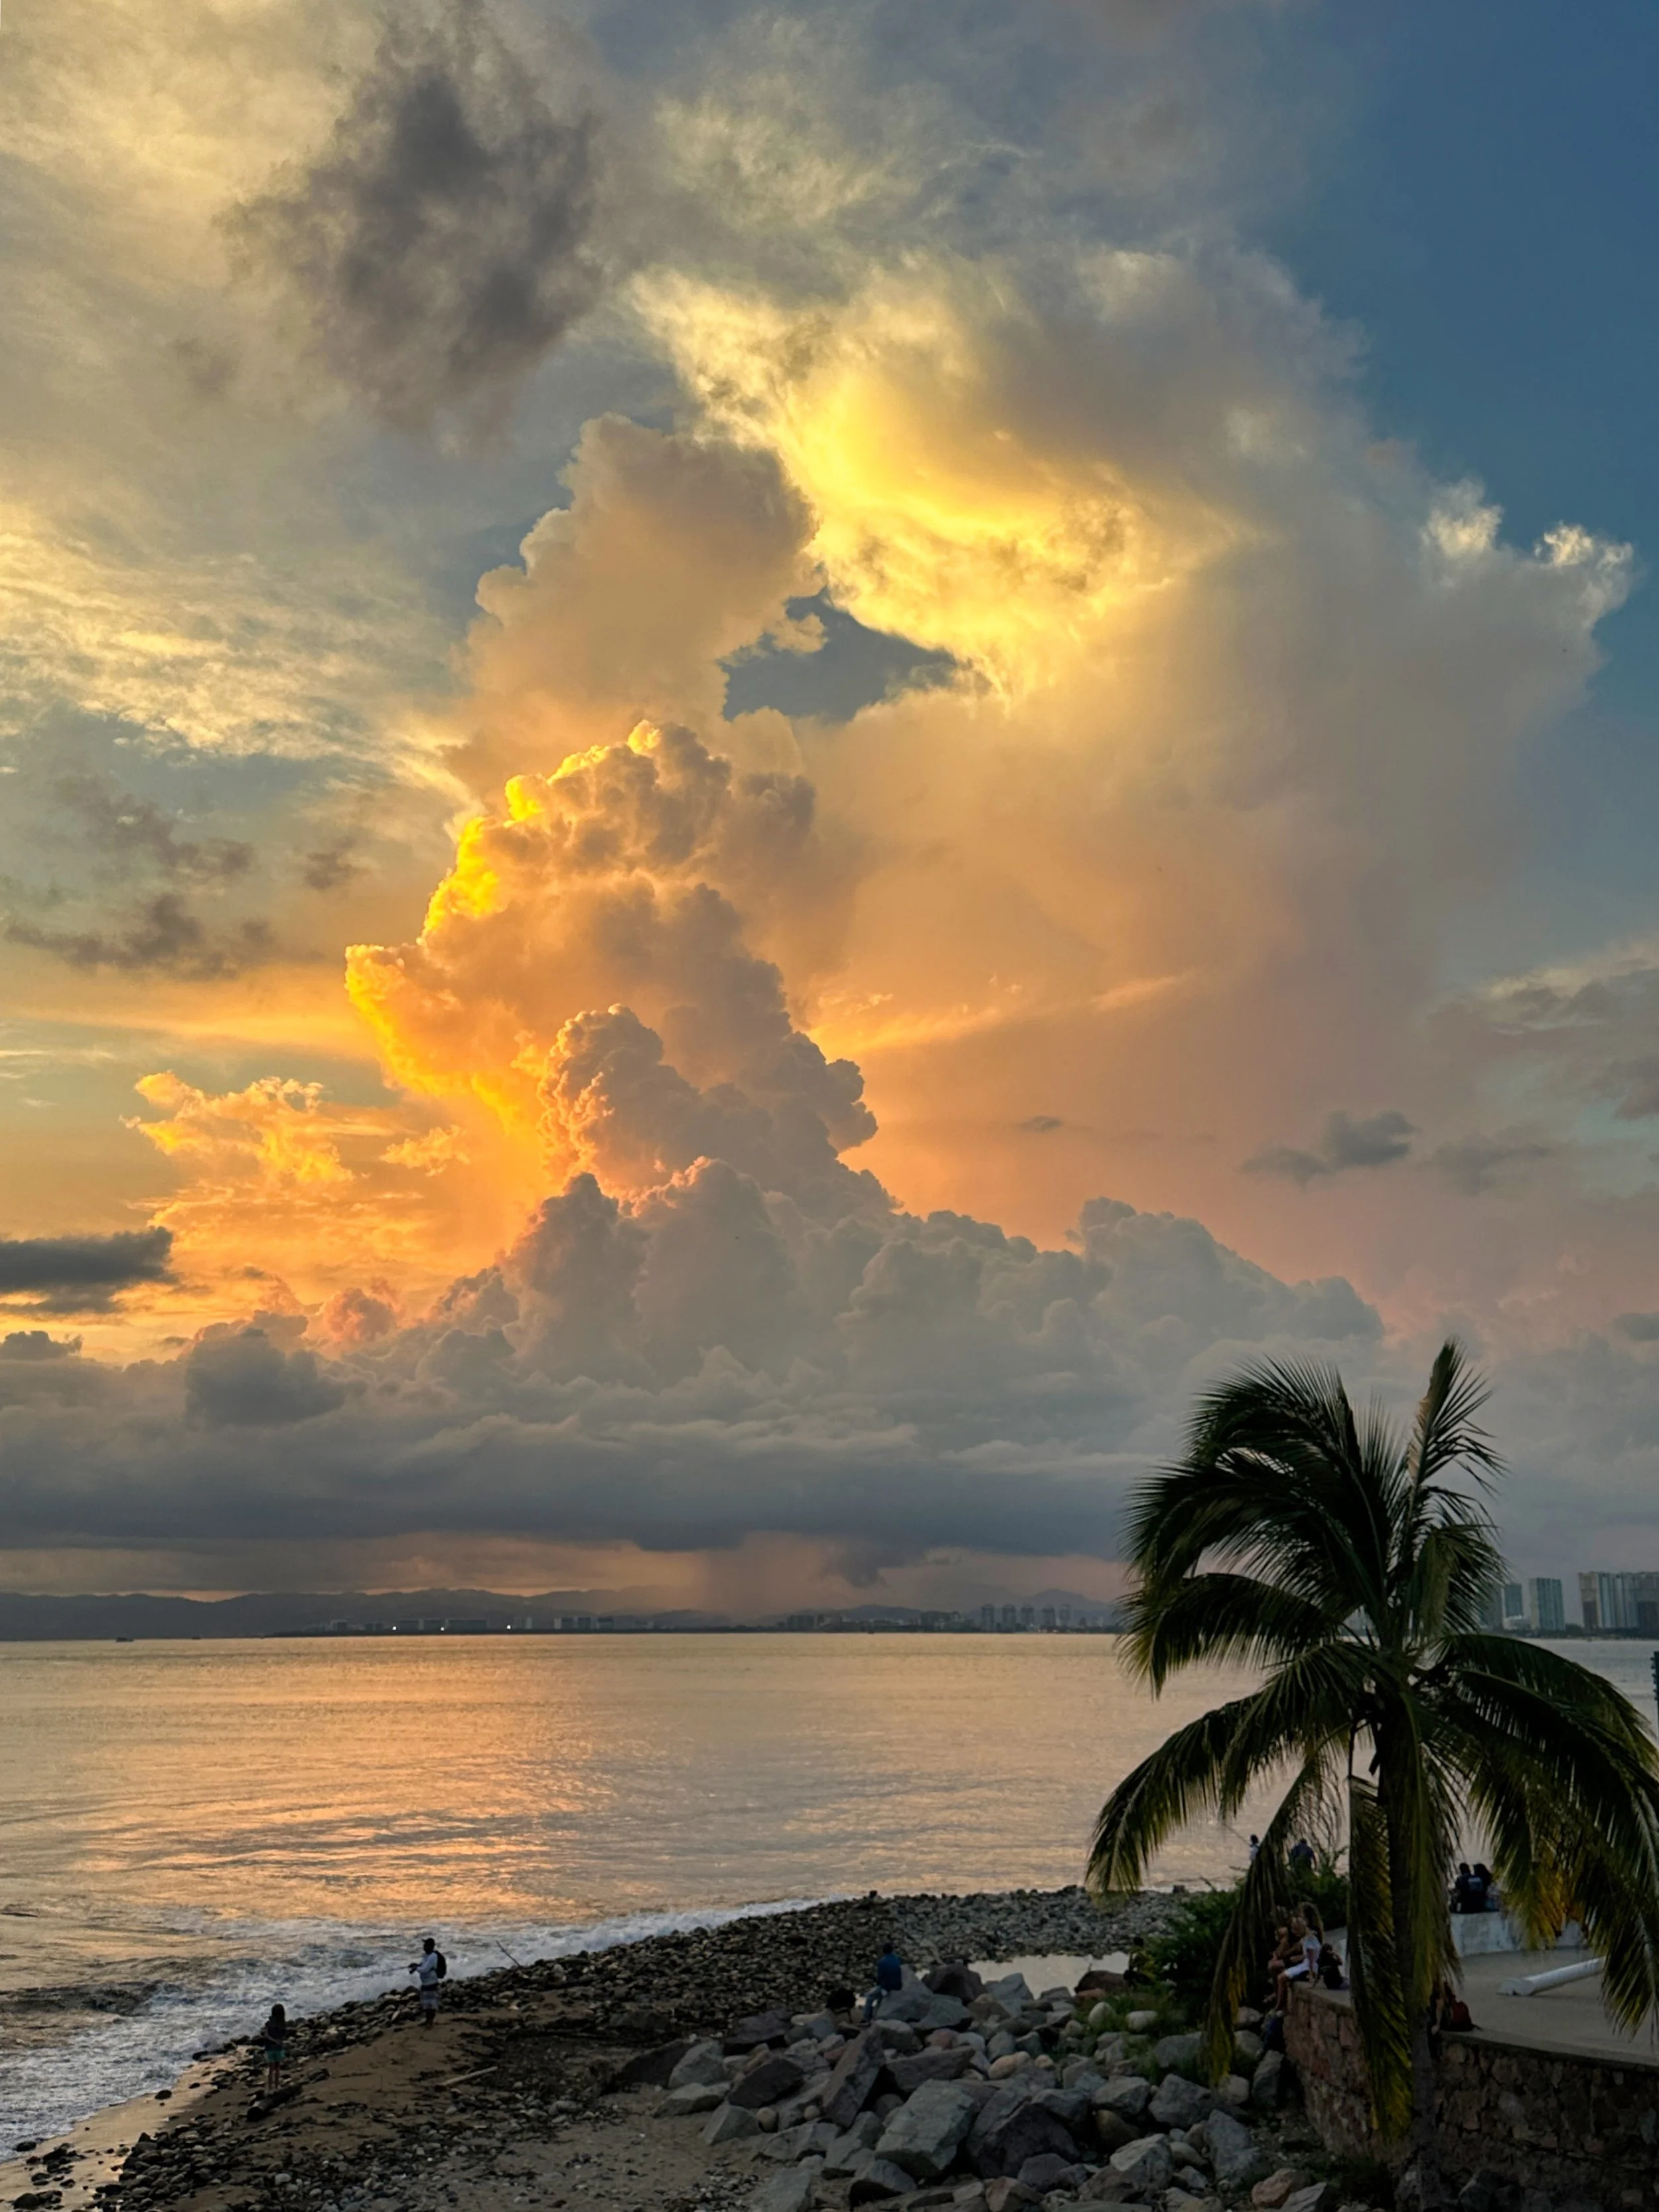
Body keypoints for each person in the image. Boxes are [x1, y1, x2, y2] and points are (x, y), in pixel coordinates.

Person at [863, 1940, 904, 2024]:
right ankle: (877, 2014)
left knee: (870, 1997)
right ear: (892, 1950)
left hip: (887, 1988)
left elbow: (880, 1978)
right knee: (879, 1999)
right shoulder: (897, 1960)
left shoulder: (881, 1962)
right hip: (898, 1986)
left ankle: (867, 2018)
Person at [409, 1936, 446, 2028]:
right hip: (425, 1983)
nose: (424, 1947)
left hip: (431, 1982)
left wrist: (417, 1968)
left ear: (431, 1946)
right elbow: (423, 1966)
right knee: (426, 2003)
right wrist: (416, 1966)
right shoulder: (426, 1956)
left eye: (426, 1945)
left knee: (431, 2003)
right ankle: (427, 2020)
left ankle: (431, 2022)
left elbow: (425, 1969)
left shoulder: (433, 1956)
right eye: (424, 1945)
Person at [257, 2004, 288, 2094]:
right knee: (277, 2068)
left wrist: (273, 2040)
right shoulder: (282, 2024)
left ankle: (270, 2088)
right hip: (277, 2048)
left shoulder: (269, 2023)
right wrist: (277, 2041)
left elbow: (265, 2035)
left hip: (270, 2048)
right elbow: (283, 2036)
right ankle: (276, 2086)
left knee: (272, 2069)